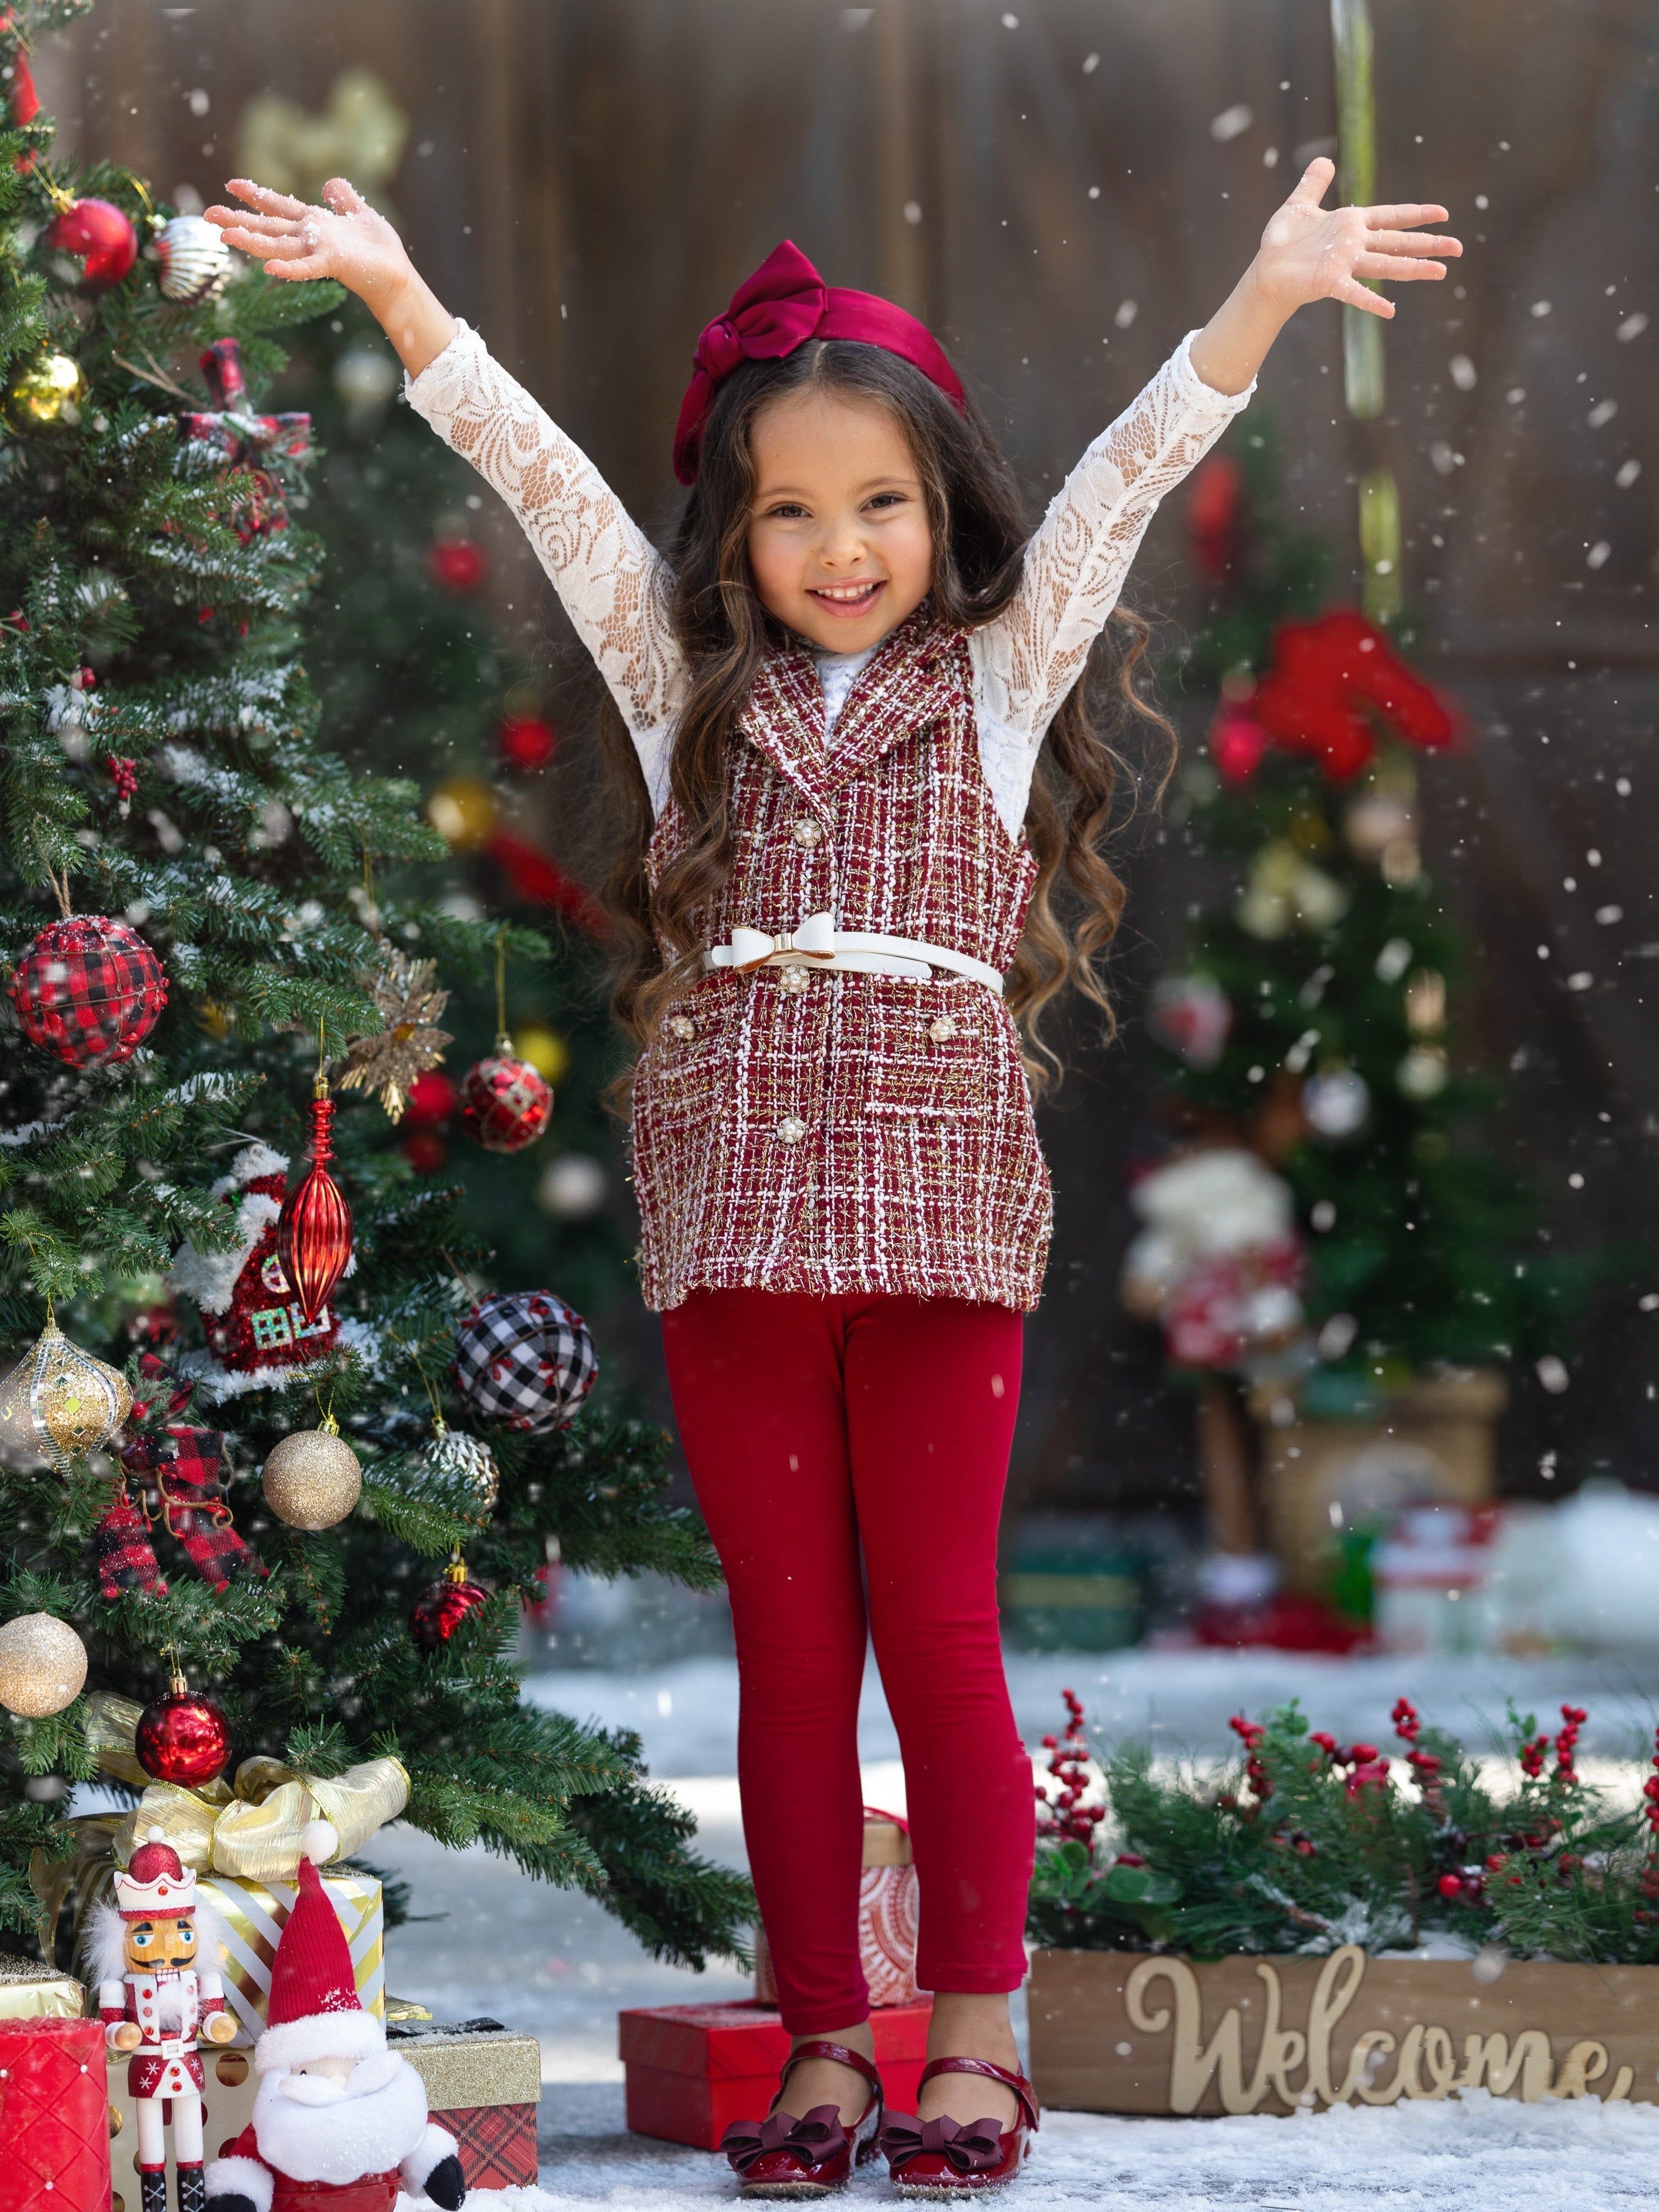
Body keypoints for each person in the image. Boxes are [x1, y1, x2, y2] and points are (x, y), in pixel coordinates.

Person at [206, 159, 1458, 2194]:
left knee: (941, 1639)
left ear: (943, 511)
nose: (840, 545)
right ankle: (819, 2040)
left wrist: (1259, 303)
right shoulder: (687, 684)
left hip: (945, 1216)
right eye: (790, 508)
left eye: (880, 503)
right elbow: (543, 488)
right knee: (791, 1653)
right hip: (736, 1222)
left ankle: (972, 2035)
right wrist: (405, 298)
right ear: (738, 530)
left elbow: (1135, 478)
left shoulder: (992, 675)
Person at [203, 1853, 466, 2212]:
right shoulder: (277, 2113)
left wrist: (434, 2165)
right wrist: (239, 2194)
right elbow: (248, 2166)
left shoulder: (385, 2105)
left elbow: (414, 2138)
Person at [91, 1825, 240, 2212]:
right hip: (147, 2066)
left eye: (181, 1934)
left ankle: (193, 2203)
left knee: (192, 2143)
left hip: (188, 2064)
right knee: (152, 2144)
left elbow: (213, 2020)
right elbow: (111, 2026)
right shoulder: (119, 1987)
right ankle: (154, 2205)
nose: (167, 1949)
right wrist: (120, 2032)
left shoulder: (203, 1980)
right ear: (122, 1939)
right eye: (144, 1937)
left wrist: (217, 2026)